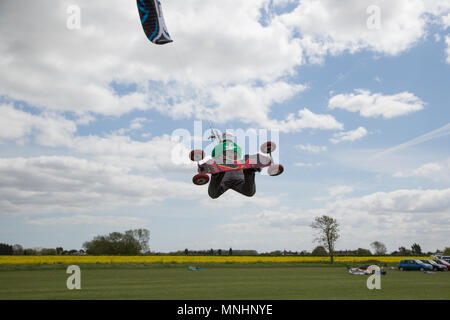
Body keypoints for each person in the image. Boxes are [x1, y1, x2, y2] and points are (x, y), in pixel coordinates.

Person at [207, 134, 259, 199]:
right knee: (249, 192)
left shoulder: (218, 147)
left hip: (224, 176)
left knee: (213, 194)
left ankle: (217, 175)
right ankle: (249, 171)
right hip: (238, 175)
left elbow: (213, 156)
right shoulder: (238, 147)